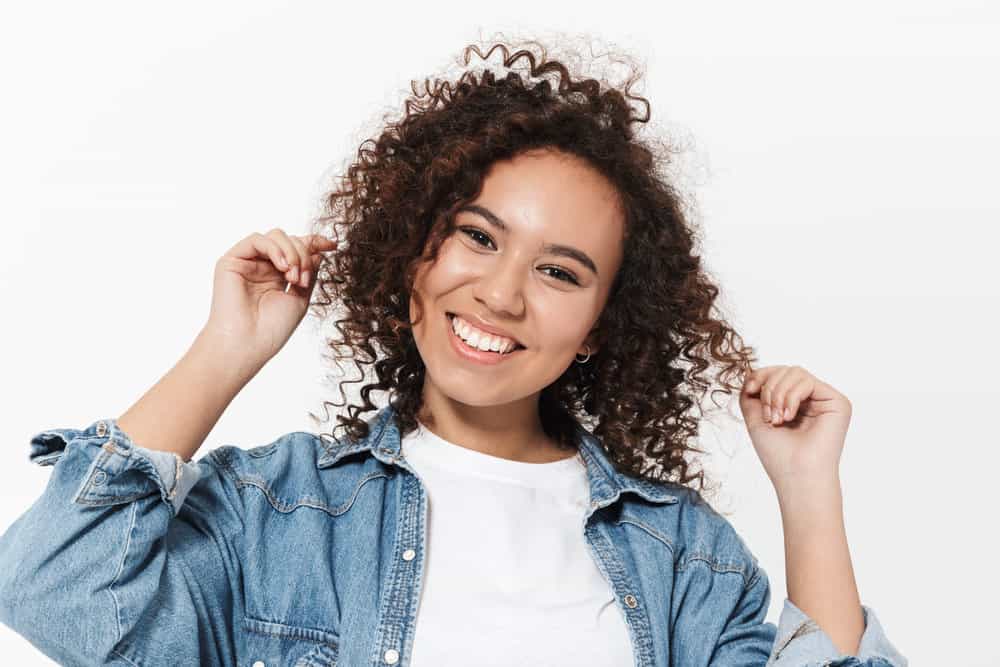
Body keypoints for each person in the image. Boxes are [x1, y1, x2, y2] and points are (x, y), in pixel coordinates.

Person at [0, 40, 907, 666]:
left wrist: (808, 491)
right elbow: (54, 588)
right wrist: (223, 352)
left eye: (559, 270)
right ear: (414, 251)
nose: (502, 294)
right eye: (477, 237)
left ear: (599, 325)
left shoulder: (678, 555)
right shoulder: (279, 514)